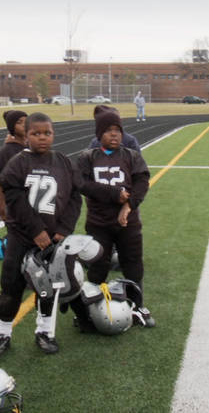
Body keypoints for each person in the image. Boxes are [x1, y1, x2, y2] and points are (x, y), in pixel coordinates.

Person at [0, 112, 82, 357]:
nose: (42, 138)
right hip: (22, 236)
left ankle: (44, 331)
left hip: (52, 239)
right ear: (26, 135)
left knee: (48, 286)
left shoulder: (63, 161)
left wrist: (64, 230)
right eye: (36, 133)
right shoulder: (18, 162)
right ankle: (2, 334)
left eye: (47, 133)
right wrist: (36, 230)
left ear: (54, 134)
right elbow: (14, 198)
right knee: (11, 286)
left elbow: (74, 197)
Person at [77, 105, 155, 328]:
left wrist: (128, 205)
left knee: (133, 263)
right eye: (109, 130)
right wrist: (114, 195)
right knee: (98, 265)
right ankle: (90, 308)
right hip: (99, 222)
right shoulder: (88, 157)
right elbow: (82, 184)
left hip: (127, 222)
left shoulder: (130, 156)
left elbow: (142, 182)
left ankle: (137, 305)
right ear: (99, 133)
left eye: (118, 130)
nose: (114, 134)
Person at [0, 110, 28, 222]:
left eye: (26, 122)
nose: (24, 125)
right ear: (12, 127)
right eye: (19, 122)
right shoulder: (6, 152)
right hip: (15, 209)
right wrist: (1, 211)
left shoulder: (30, 148)